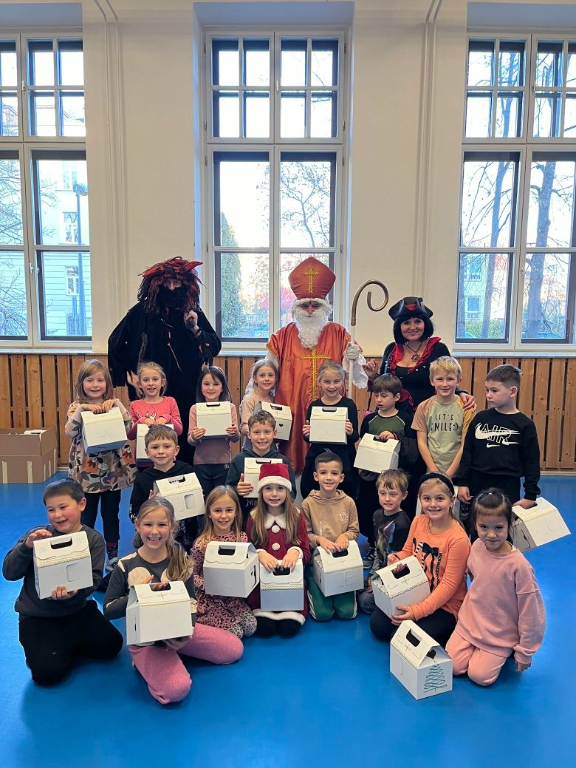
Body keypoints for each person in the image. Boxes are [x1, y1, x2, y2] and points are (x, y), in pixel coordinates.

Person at [104, 497, 243, 705]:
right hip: (146, 641)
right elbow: (108, 610)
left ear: (172, 527)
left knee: (234, 649)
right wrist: (136, 593)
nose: (154, 531)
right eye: (148, 524)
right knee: (177, 690)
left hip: (178, 632)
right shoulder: (125, 565)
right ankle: (145, 661)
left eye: (162, 525)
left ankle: (173, 652)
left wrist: (186, 633)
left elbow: (191, 602)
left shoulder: (181, 560)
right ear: (137, 525)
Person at [3, 479, 123, 686]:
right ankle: (55, 647)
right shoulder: (37, 536)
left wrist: (75, 593)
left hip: (76, 610)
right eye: (51, 510)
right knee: (47, 675)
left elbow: (94, 579)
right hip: (38, 615)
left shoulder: (93, 540)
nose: (57, 515)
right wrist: (27, 547)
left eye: (63, 507)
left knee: (112, 646)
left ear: (82, 504)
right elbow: (9, 572)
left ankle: (62, 645)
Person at [108, 257, 221, 464]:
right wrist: (127, 371)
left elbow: (214, 345)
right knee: (151, 436)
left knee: (183, 434)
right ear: (156, 284)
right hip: (152, 387)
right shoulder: (142, 311)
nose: (171, 288)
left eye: (176, 283)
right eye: (166, 283)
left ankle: (183, 475)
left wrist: (195, 329)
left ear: (185, 284)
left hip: (186, 386)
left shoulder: (192, 311)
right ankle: (150, 478)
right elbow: (115, 340)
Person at [267, 257, 366, 472]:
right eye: (305, 305)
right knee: (294, 457)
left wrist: (353, 357)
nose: (310, 310)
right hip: (293, 408)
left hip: (332, 407)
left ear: (324, 307)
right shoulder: (281, 337)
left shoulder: (338, 333)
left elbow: (354, 374)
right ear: (297, 307)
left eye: (316, 305)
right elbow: (266, 375)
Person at [446, 489, 545, 686]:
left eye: (499, 528)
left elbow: (531, 612)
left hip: (499, 634)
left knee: (480, 677)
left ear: (509, 525)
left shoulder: (519, 566)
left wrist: (525, 652)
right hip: (470, 623)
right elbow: (475, 581)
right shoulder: (476, 547)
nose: (491, 535)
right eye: (483, 527)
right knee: (452, 666)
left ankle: (498, 652)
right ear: (475, 525)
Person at [370, 473, 470, 648]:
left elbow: (448, 586)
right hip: (417, 591)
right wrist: (397, 558)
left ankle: (452, 630)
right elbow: (408, 552)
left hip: (446, 605)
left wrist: (417, 612)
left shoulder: (458, 540)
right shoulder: (418, 521)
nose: (433, 504)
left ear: (452, 500)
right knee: (378, 626)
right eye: (427, 498)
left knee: (400, 638)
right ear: (420, 500)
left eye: (440, 498)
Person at [65, 359, 136, 570]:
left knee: (111, 514)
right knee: (87, 514)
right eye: (90, 380)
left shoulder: (113, 405)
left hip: (112, 472)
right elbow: (70, 431)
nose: (95, 385)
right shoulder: (76, 407)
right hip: (87, 474)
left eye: (100, 380)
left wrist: (118, 405)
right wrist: (82, 410)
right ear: (81, 383)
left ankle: (112, 554)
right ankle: (86, 553)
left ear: (107, 383)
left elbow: (130, 427)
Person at [364, 296, 474, 410]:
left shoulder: (438, 349)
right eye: (406, 322)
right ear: (399, 326)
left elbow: (448, 379)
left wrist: (461, 393)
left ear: (425, 323)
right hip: (390, 414)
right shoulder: (391, 349)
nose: (412, 327)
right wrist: (373, 376)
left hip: (426, 414)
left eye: (417, 321)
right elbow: (384, 386)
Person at [458, 365, 541, 512]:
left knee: (502, 523)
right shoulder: (480, 418)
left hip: (508, 484)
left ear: (512, 391)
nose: (489, 395)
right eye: (487, 390)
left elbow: (531, 462)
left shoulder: (524, 425)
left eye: (494, 391)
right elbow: (468, 452)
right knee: (476, 523)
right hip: (477, 481)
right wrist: (462, 482)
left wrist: (530, 495)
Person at [357, 373, 418, 564]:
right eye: (376, 395)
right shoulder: (370, 419)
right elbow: (364, 443)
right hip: (373, 476)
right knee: (372, 510)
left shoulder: (405, 419)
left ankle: (397, 549)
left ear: (396, 397)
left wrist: (395, 437)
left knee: (394, 512)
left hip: (395, 476)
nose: (379, 400)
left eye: (384, 396)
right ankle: (373, 546)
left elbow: (412, 448)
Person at [246, 464, 311, 637]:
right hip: (262, 589)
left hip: (291, 587)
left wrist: (295, 552)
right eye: (268, 488)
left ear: (287, 491)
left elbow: (306, 552)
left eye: (280, 488)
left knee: (289, 628)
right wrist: (259, 554)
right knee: (265, 629)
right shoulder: (254, 517)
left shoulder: (296, 516)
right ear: (261, 491)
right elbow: (248, 551)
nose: (274, 494)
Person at [191, 486, 257, 639]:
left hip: (233, 598)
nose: (223, 516)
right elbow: (192, 575)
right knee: (236, 633)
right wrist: (208, 586)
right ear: (209, 513)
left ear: (236, 512)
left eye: (229, 510)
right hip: (211, 599)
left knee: (250, 627)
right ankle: (204, 625)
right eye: (217, 510)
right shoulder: (202, 544)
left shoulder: (241, 538)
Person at [301, 451, 360, 621]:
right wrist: (319, 540)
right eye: (323, 473)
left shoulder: (348, 502)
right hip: (319, 562)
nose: (328, 478)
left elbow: (354, 530)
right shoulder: (307, 504)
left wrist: (345, 536)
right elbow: (305, 535)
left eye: (334, 473)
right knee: (323, 615)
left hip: (343, 564)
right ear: (316, 476)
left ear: (341, 478)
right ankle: (310, 585)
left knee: (347, 613)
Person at [301, 360, 359, 500]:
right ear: (319, 382)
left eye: (336, 381)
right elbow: (309, 438)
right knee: (313, 492)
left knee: (345, 495)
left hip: (343, 458)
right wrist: (307, 434)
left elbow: (355, 436)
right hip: (318, 456)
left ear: (342, 382)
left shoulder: (349, 404)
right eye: (327, 382)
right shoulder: (314, 405)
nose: (332, 386)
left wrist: (350, 431)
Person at [129, 425, 195, 547]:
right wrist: (148, 506)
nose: (160, 451)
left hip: (184, 537)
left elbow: (198, 504)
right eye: (155, 447)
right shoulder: (143, 479)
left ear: (176, 450)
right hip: (154, 537)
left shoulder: (186, 471)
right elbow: (134, 513)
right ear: (147, 452)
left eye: (166, 446)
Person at [226, 410, 297, 522]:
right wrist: (237, 490)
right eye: (256, 432)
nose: (262, 437)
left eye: (267, 432)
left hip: (274, 521)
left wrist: (281, 491)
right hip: (244, 519)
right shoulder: (238, 460)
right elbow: (227, 491)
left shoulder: (283, 461)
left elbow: (292, 493)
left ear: (274, 433)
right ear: (249, 434)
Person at [358, 469, 411, 615]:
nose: (387, 499)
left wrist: (378, 581)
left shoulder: (403, 523)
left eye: (393, 494)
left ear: (404, 495)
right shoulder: (377, 515)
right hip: (379, 570)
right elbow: (378, 549)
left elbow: (396, 560)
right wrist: (372, 575)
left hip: (393, 575)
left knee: (364, 601)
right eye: (382, 493)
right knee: (353, 585)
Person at [413, 356, 474, 478]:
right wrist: (434, 472)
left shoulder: (466, 408)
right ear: (432, 381)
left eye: (450, 379)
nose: (445, 384)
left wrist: (448, 475)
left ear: (458, 381)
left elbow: (465, 445)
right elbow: (422, 442)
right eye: (439, 379)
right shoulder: (423, 407)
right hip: (431, 472)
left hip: (459, 475)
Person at [188, 366, 240, 499]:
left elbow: (235, 438)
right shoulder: (195, 409)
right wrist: (194, 436)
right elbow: (190, 440)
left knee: (222, 498)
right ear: (200, 387)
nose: (211, 388)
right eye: (206, 384)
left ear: (222, 387)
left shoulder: (230, 408)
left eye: (216, 384)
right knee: (204, 499)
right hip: (201, 463)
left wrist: (234, 432)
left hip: (223, 462)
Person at [127, 361, 183, 469]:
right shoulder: (135, 405)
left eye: (155, 379)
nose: (150, 383)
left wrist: (168, 418)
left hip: (167, 461)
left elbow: (179, 430)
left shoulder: (170, 402)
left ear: (162, 382)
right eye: (146, 380)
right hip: (144, 461)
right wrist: (141, 421)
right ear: (139, 384)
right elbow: (130, 435)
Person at [239, 359, 278, 449]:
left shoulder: (274, 399)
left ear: (275, 378)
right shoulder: (250, 400)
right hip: (251, 448)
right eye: (262, 375)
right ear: (255, 379)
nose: (267, 379)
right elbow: (244, 427)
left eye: (270, 375)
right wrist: (259, 432)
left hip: (270, 448)